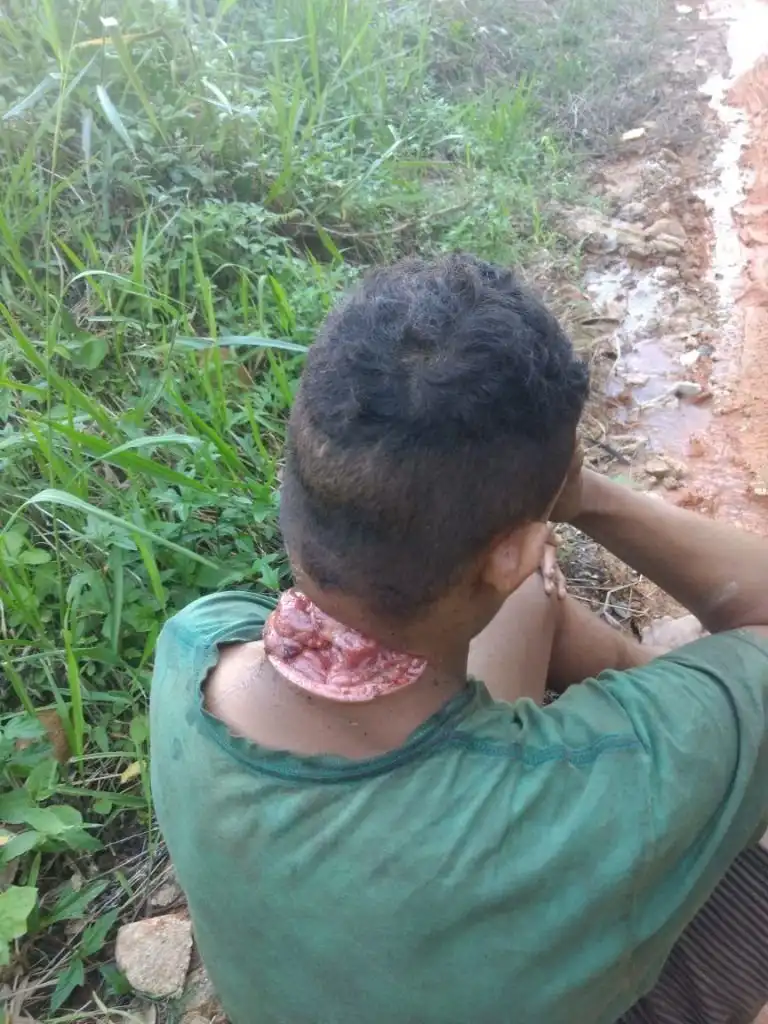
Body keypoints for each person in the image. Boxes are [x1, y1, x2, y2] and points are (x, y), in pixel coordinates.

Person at [150, 254, 768, 1024]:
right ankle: (719, 724)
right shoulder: (585, 794)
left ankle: (704, 711)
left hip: (366, 948)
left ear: (297, 484)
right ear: (511, 552)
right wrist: (583, 495)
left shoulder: (194, 645)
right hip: (486, 859)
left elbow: (498, 601)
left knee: (530, 606)